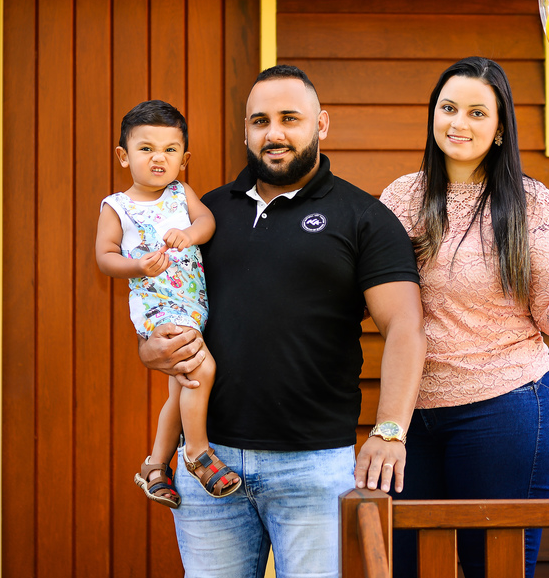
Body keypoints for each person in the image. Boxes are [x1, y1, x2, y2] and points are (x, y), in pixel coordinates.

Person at [137, 65, 426, 578]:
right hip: (208, 462)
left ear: (322, 124)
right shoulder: (205, 213)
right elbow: (163, 299)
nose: (274, 133)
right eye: (259, 121)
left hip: (314, 466)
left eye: (290, 118)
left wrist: (390, 429)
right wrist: (150, 349)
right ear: (245, 130)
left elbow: (404, 325)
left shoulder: (364, 216)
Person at [379, 57, 549, 578]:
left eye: (476, 113)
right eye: (448, 108)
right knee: (408, 567)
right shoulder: (401, 197)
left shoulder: (531, 204)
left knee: (496, 568)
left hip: (505, 412)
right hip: (413, 415)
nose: (458, 123)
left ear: (501, 127)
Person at [96, 100, 241, 509]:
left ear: (184, 159)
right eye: (146, 149)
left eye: (170, 150)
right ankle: (197, 453)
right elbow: (104, 256)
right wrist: (137, 264)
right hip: (158, 305)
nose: (158, 158)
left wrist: (189, 234)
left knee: (178, 392)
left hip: (192, 304)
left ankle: (155, 467)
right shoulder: (118, 206)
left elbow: (207, 222)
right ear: (124, 156)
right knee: (201, 369)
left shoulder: (181, 193)